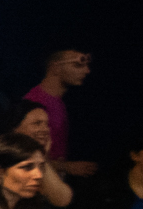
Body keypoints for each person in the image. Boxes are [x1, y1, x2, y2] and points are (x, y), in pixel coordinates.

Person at [24, 47, 93, 175]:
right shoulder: (35, 103)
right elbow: (25, 153)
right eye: (77, 65)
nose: (87, 71)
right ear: (55, 68)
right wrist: (67, 167)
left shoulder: (57, 102)